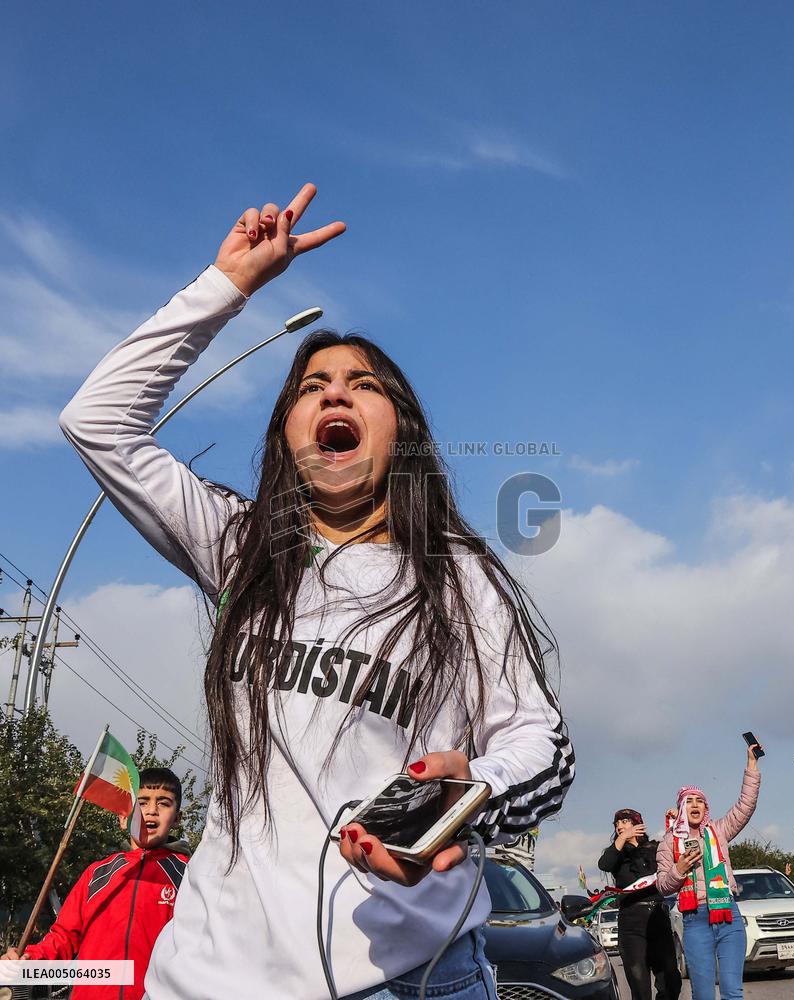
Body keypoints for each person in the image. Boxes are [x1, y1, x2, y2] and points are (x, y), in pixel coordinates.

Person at [56, 184, 576, 1000]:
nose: (333, 391)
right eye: (309, 386)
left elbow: (541, 743)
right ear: (286, 436)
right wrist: (227, 286)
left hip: (409, 978)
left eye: (361, 383)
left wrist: (470, 793)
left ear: (399, 427)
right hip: (210, 980)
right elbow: (98, 421)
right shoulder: (239, 546)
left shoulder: (459, 577)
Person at [1, 768, 188, 1000]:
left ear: (177, 819)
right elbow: (63, 937)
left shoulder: (188, 875)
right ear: (123, 817)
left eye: (163, 803)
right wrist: (26, 961)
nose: (151, 811)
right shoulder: (97, 874)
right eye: (142, 802)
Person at [656, 743, 763, 1000]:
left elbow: (745, 806)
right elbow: (662, 885)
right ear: (681, 808)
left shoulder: (718, 831)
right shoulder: (669, 841)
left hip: (728, 915)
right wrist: (679, 869)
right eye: (689, 801)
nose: (695, 805)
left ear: (706, 808)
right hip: (695, 921)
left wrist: (752, 764)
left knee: (732, 992)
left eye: (700, 801)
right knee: (703, 994)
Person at [598, 809, 682, 1000]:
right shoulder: (616, 855)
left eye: (625, 822)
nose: (619, 826)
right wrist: (622, 838)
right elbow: (604, 864)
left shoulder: (655, 848)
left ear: (638, 824)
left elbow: (678, 850)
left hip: (657, 917)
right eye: (616, 824)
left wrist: (679, 820)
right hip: (631, 922)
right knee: (639, 985)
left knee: (671, 980)